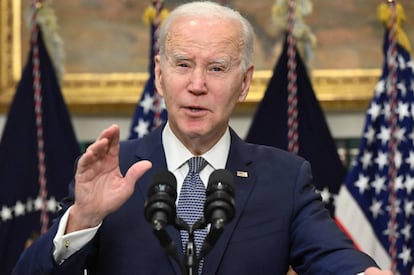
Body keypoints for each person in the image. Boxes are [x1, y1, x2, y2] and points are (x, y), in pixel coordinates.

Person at [14, 1, 393, 274]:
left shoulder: (285, 178)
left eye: (216, 68)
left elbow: (335, 257)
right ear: (160, 76)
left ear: (244, 82)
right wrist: (84, 218)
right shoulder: (113, 170)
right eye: (183, 65)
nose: (197, 85)